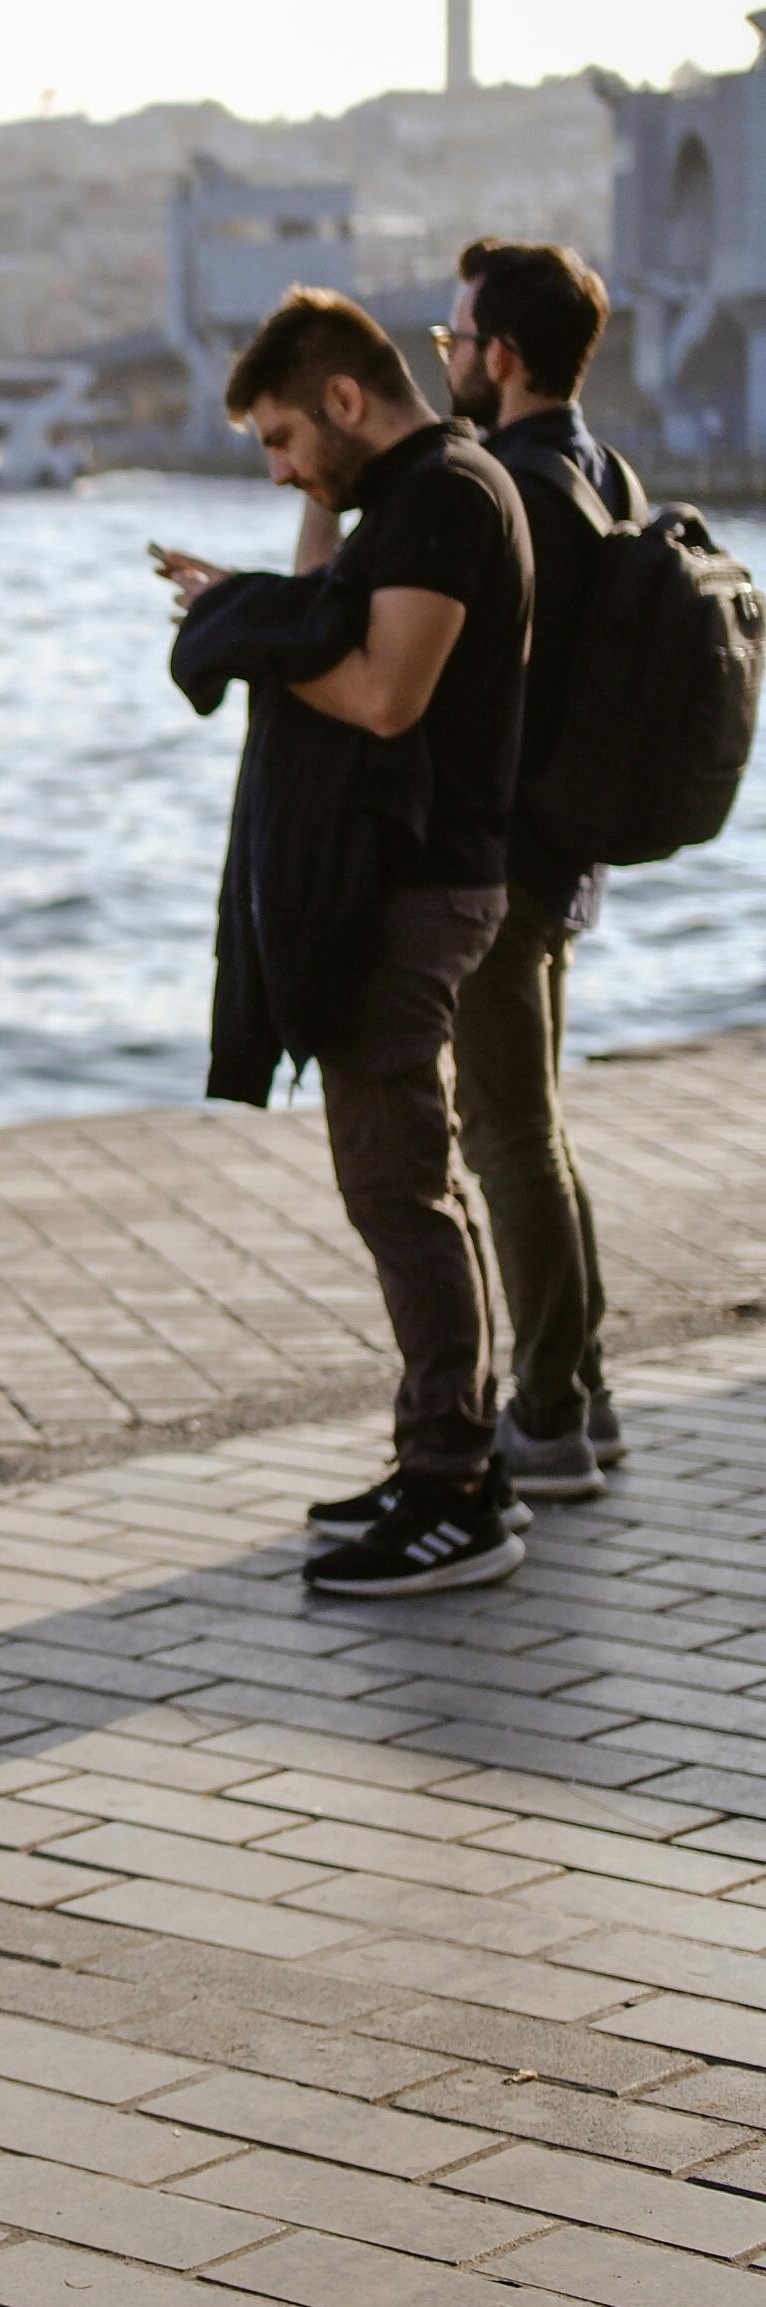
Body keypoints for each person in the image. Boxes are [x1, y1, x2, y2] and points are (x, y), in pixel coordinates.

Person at [157, 288, 532, 1597]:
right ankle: (451, 1448)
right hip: (404, 885)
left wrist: (238, 629)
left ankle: (455, 1496)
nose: (275, 468)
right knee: (418, 1181)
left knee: (395, 1187)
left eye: (280, 439)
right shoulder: (399, 497)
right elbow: (321, 604)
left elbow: (383, 692)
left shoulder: (447, 498)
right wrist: (250, 597)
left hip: (418, 890)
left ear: (346, 402)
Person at [435, 240, 630, 1500]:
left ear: (500, 358)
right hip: (561, 854)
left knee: (504, 1134)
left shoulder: (510, 486)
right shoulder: (597, 465)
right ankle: (583, 1392)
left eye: (454, 338)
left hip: (503, 863)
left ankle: (549, 1412)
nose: (446, 356)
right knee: (535, 1132)